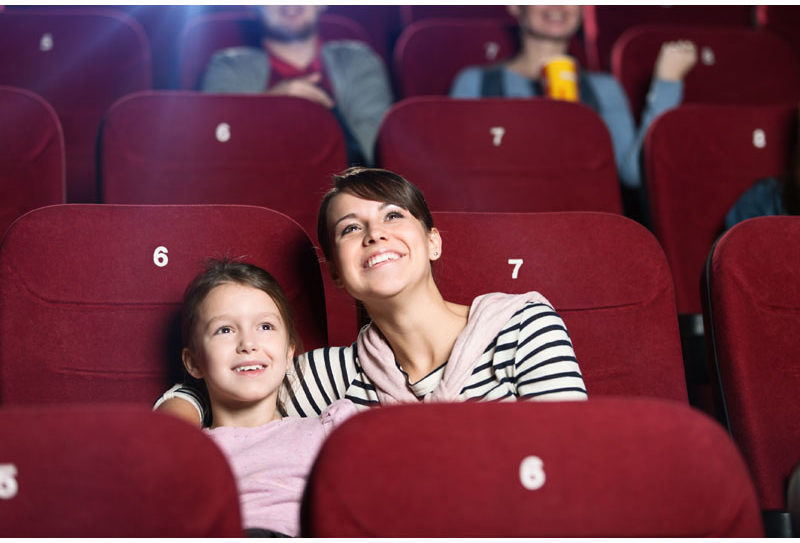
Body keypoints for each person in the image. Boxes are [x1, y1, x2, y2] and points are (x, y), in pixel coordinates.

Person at [156, 167, 587, 424]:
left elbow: (572, 456)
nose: (374, 234)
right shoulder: (329, 377)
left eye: (393, 216)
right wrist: (181, 419)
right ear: (337, 274)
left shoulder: (521, 324)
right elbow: (221, 385)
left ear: (433, 242)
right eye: (350, 228)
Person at [172, 258, 357, 536]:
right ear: (194, 362)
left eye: (265, 327)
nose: (248, 344)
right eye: (225, 330)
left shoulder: (330, 431)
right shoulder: (185, 453)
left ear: (288, 354)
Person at [449, 5, 698, 192]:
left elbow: (632, 173)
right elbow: (459, 173)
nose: (559, 6)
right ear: (515, 6)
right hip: (502, 217)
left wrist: (667, 82)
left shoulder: (603, 88)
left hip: (582, 221)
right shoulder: (476, 83)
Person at [200, 5, 393, 166]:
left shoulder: (358, 60)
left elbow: (375, 156)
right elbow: (217, 147)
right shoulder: (228, 66)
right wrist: (267, 107)